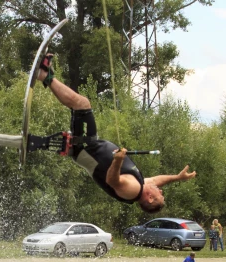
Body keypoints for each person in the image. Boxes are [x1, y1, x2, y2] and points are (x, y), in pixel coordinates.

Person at [38, 54, 196, 213]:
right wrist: (177, 177)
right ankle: (46, 75)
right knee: (81, 104)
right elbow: (157, 180)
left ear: (149, 198)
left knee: (81, 104)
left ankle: (44, 75)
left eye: (160, 195)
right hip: (90, 146)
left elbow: (113, 181)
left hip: (87, 148)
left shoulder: (133, 191)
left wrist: (118, 160)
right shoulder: (139, 185)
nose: (160, 191)